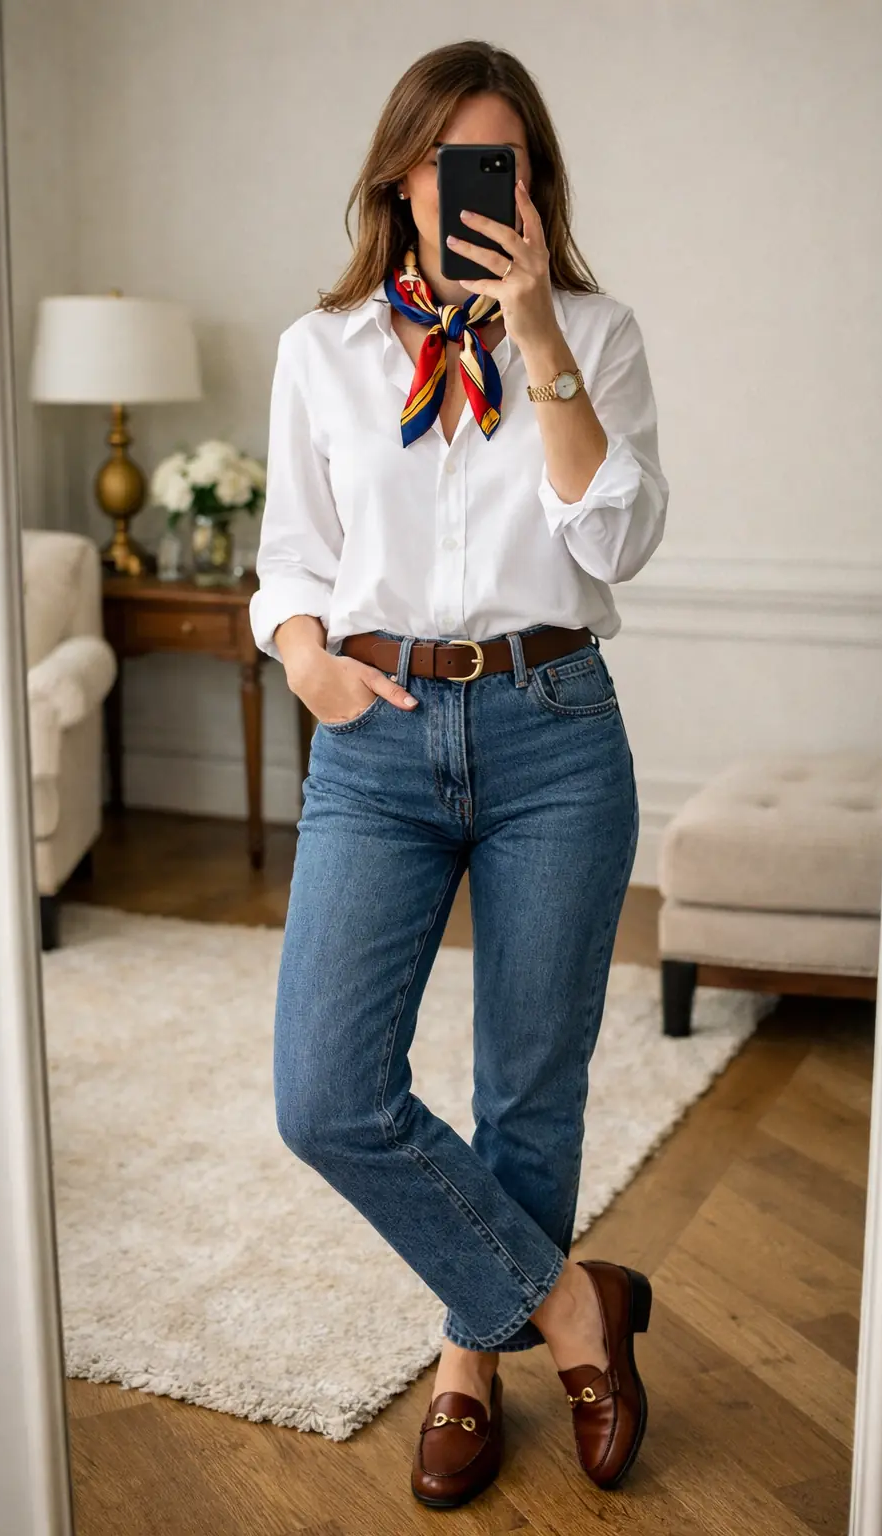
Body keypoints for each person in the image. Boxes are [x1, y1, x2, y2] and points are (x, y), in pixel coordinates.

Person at [249, 37, 669, 1509]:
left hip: (555, 726)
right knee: (324, 1093)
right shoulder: (325, 350)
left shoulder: (597, 333)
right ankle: (571, 1310)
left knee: (529, 1094)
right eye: (445, 159)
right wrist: (305, 662)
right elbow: (290, 558)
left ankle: (466, 1366)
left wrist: (539, 332)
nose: (468, 187)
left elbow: (615, 542)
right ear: (398, 175)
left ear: (534, 188)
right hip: (373, 735)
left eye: (501, 163)